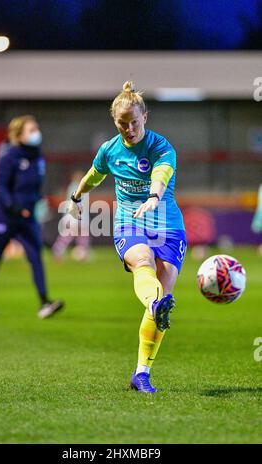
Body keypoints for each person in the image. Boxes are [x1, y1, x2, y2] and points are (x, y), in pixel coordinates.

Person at [68, 81, 186, 393]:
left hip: (167, 222)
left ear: (145, 117)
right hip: (128, 223)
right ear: (115, 122)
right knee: (143, 264)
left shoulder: (162, 147)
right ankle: (153, 302)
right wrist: (77, 196)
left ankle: (141, 372)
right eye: (123, 123)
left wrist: (154, 196)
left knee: (166, 280)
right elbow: (95, 174)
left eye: (135, 122)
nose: (130, 129)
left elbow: (161, 173)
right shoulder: (109, 150)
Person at [0, 115, 63, 319]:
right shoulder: (8, 155)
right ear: (19, 135)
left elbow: (33, 186)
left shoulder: (38, 157)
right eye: (31, 130)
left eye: (36, 128)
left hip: (26, 217)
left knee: (36, 257)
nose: (36, 133)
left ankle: (44, 302)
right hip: (2, 217)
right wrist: (13, 207)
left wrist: (36, 200)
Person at [52, 170, 91, 262]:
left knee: (82, 235)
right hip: (74, 217)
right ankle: (58, 251)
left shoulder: (79, 187)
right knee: (69, 235)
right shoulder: (76, 187)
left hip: (78, 217)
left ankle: (82, 253)